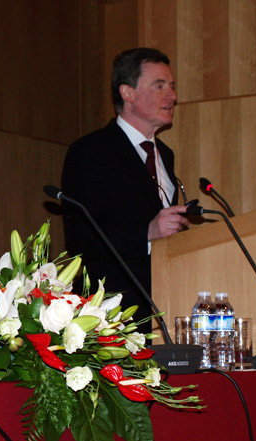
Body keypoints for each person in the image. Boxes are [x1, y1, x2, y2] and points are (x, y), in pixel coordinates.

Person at [61, 48, 189, 332]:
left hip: (166, 304)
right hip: (112, 314)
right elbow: (81, 236)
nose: (172, 96)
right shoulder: (90, 151)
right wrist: (146, 233)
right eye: (159, 86)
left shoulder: (165, 155)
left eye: (172, 86)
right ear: (127, 93)